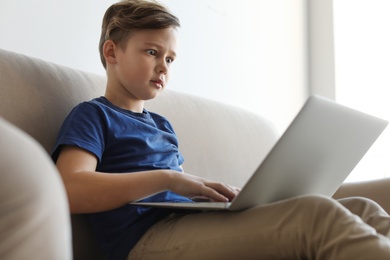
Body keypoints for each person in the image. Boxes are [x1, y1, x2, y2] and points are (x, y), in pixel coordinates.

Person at [52, 0, 390, 259]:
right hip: (143, 242)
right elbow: (68, 189)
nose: (162, 67)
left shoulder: (161, 126)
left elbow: (176, 196)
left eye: (170, 59)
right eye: (152, 52)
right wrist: (168, 179)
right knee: (316, 215)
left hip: (184, 225)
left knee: (360, 207)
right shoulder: (93, 115)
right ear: (112, 51)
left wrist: (216, 196)